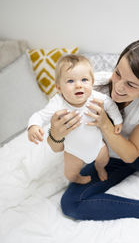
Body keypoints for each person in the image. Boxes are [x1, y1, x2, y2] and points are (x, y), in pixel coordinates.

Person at [47, 39, 139, 237]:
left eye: (131, 84)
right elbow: (58, 145)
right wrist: (56, 135)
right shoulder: (93, 87)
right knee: (71, 203)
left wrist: (104, 124)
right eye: (118, 73)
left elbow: (131, 155)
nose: (118, 87)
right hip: (111, 158)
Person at [28, 54, 123, 184]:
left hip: (97, 146)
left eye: (84, 80)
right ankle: (77, 178)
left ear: (92, 82)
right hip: (73, 151)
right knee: (70, 173)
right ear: (59, 88)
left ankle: (99, 168)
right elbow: (40, 115)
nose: (78, 85)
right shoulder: (58, 102)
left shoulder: (95, 97)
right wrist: (34, 125)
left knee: (104, 160)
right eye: (71, 81)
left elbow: (111, 105)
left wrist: (117, 120)